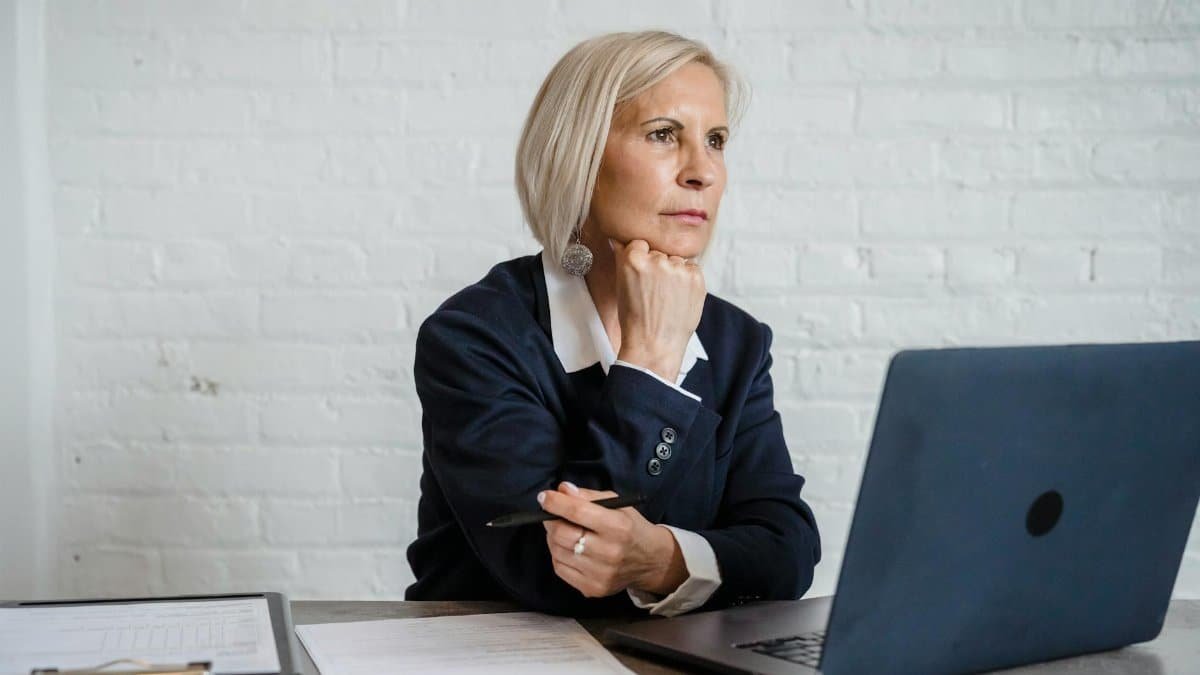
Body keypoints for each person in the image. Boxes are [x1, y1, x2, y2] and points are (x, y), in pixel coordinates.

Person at [405, 30, 820, 617]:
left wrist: (665, 560)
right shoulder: (475, 336)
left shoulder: (737, 341)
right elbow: (552, 574)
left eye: (717, 140)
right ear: (580, 158)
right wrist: (651, 356)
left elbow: (789, 550)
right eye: (663, 136)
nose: (702, 171)